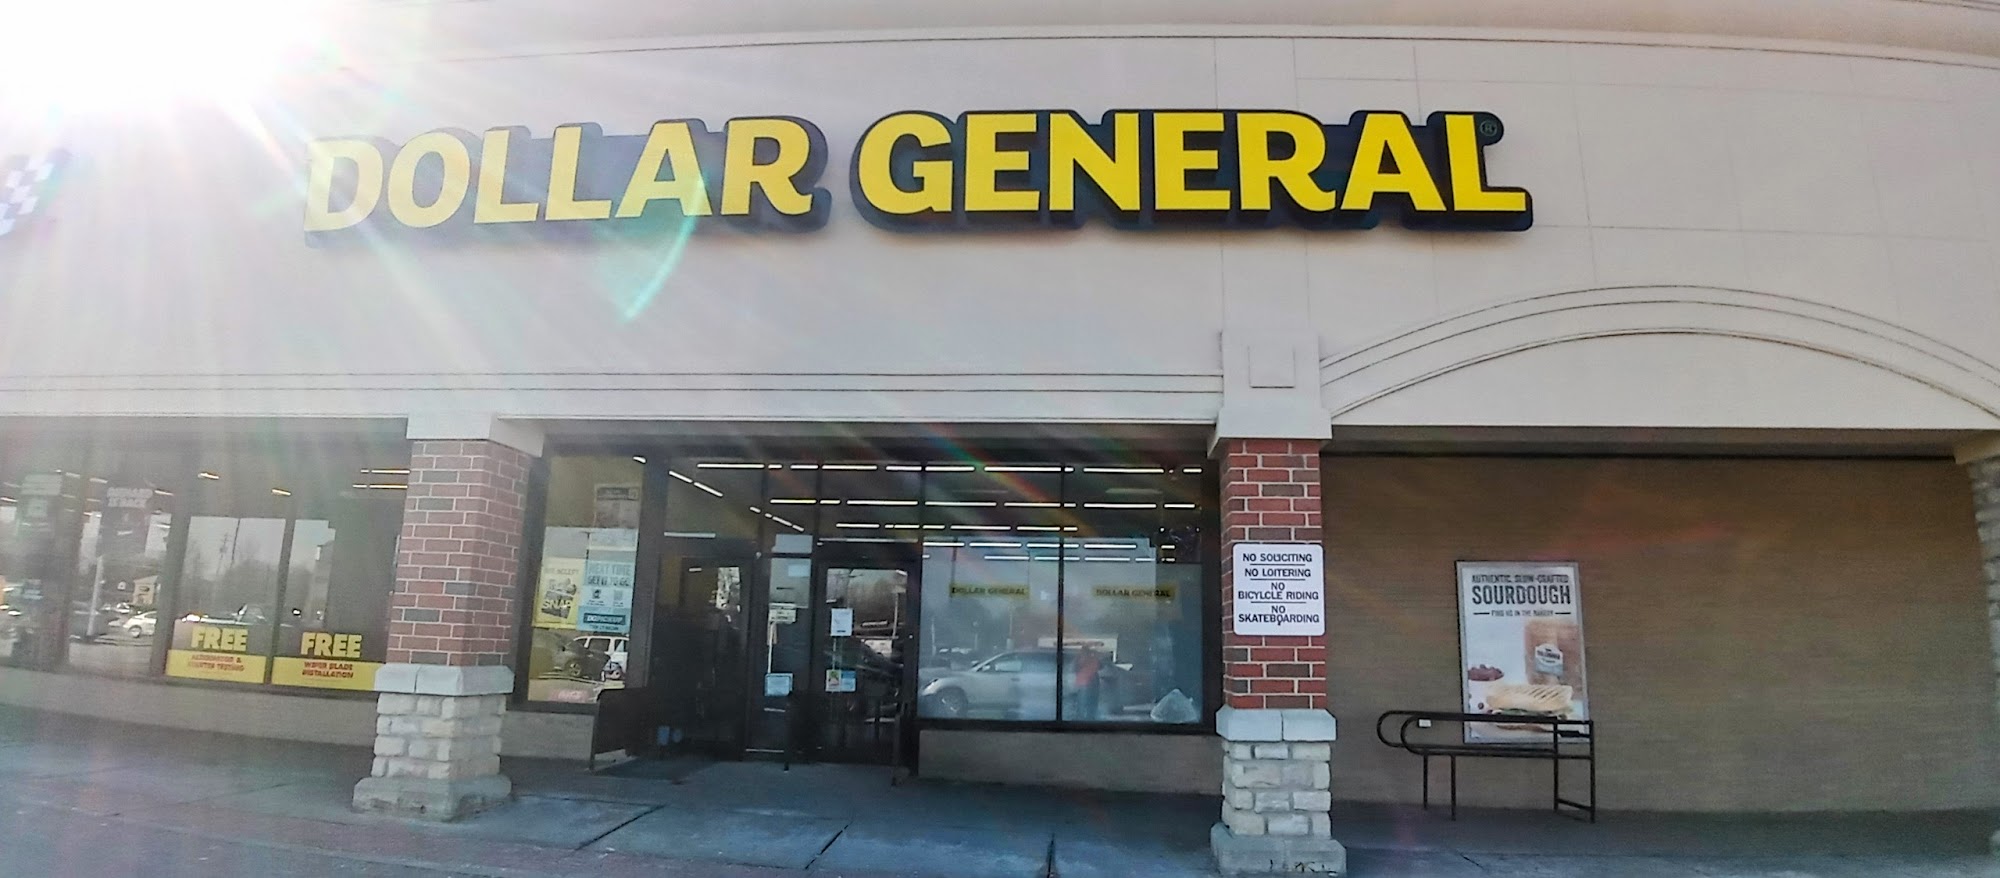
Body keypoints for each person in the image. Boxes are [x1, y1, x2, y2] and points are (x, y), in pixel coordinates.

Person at [1074, 644, 1103, 721]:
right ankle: (1088, 718)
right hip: (1089, 683)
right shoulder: (1092, 659)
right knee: (1090, 703)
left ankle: (1082, 718)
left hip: (1085, 683)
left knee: (1083, 703)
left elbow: (1075, 669)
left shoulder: (1080, 659)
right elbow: (1100, 666)